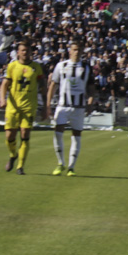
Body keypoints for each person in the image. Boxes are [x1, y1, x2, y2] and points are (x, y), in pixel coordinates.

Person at [45, 41, 95, 176]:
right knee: (58, 132)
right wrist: (48, 104)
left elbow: (91, 88)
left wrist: (90, 103)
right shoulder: (61, 66)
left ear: (82, 51)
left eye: (79, 49)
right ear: (70, 51)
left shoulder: (86, 68)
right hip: (63, 106)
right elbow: (53, 86)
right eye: (74, 49)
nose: (76, 52)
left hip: (79, 107)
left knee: (76, 135)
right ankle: (60, 163)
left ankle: (71, 167)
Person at [0, 42, 46, 175]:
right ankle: (13, 155)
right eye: (22, 50)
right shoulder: (12, 66)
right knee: (10, 136)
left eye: (27, 50)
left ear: (31, 51)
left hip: (29, 107)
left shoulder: (37, 67)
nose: (25, 52)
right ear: (18, 52)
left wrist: (45, 106)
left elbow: (43, 88)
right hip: (13, 107)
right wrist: (2, 99)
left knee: (25, 134)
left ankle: (20, 166)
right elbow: (4, 85)